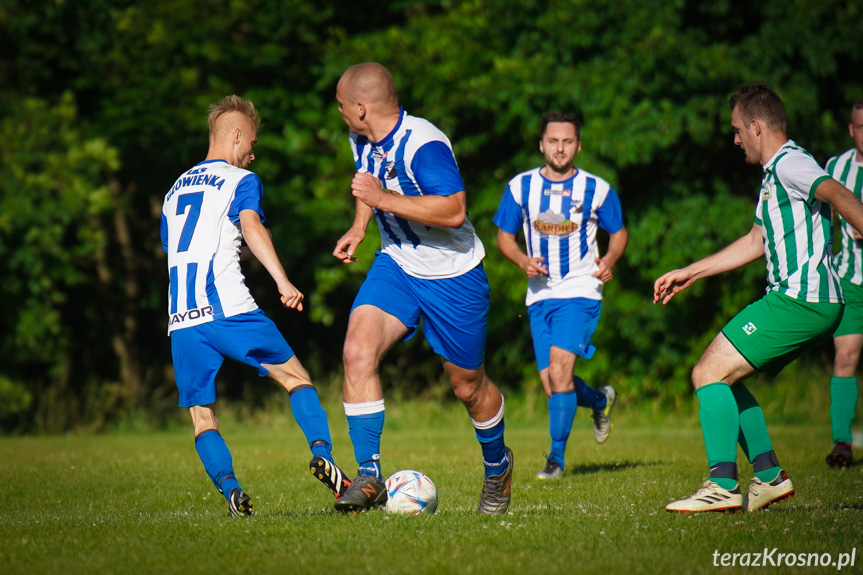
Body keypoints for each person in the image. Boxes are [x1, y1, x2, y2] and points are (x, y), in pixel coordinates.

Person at [654, 82, 863, 514]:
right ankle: (769, 477)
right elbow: (755, 241)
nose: (734, 139)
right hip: (806, 301)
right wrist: (691, 271)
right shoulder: (775, 175)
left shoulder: (791, 164)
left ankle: (723, 485)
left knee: (706, 373)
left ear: (755, 126)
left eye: (736, 130)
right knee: (726, 378)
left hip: (801, 300)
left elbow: (838, 193)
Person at [331, 62, 512, 514]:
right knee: (357, 350)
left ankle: (498, 467)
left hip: (454, 276)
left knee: (468, 388)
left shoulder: (424, 144)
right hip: (397, 265)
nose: (338, 113)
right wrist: (359, 226)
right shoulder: (362, 137)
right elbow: (366, 186)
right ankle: (369, 476)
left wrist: (380, 200)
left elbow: (453, 211)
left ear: (360, 107)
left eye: (340, 105)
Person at [161, 95, 350, 517]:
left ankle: (231, 490)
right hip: (228, 307)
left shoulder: (174, 191)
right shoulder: (240, 181)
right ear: (236, 134)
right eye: (253, 143)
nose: (253, 153)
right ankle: (324, 455)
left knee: (202, 417)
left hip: (182, 318)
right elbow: (251, 226)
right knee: (296, 378)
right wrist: (283, 281)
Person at [493, 111, 628, 480]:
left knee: (559, 370)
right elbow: (504, 237)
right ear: (541, 144)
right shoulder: (520, 187)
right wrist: (523, 260)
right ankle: (600, 400)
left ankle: (555, 460)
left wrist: (611, 258)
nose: (560, 147)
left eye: (567, 141)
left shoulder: (597, 189)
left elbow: (618, 233)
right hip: (539, 295)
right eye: (553, 140)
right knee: (554, 385)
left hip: (582, 289)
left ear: (578, 145)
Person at [823, 100, 863, 468]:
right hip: (850, 280)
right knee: (845, 357)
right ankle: (842, 444)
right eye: (860, 127)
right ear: (851, 130)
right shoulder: (835, 168)